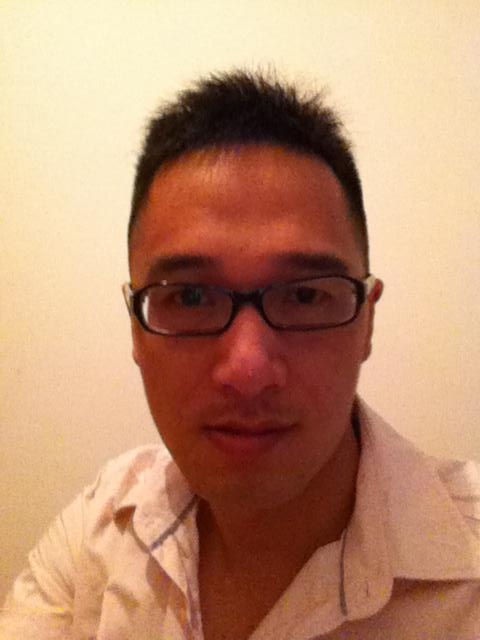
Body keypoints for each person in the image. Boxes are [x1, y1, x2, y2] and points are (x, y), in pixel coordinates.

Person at [1, 70, 479, 640]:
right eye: (190, 297)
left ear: (367, 321)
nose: (248, 370)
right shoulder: (97, 532)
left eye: (305, 295)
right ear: (136, 329)